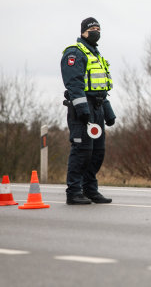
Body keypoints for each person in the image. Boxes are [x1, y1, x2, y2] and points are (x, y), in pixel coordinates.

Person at [60, 17, 116, 205]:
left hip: (98, 107)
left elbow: (100, 88)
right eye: (92, 28)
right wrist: (83, 108)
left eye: (98, 28)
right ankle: (74, 192)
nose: (96, 31)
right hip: (82, 109)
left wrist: (108, 111)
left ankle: (90, 190)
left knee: (97, 152)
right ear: (83, 31)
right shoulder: (75, 53)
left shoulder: (96, 55)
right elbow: (74, 84)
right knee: (82, 150)